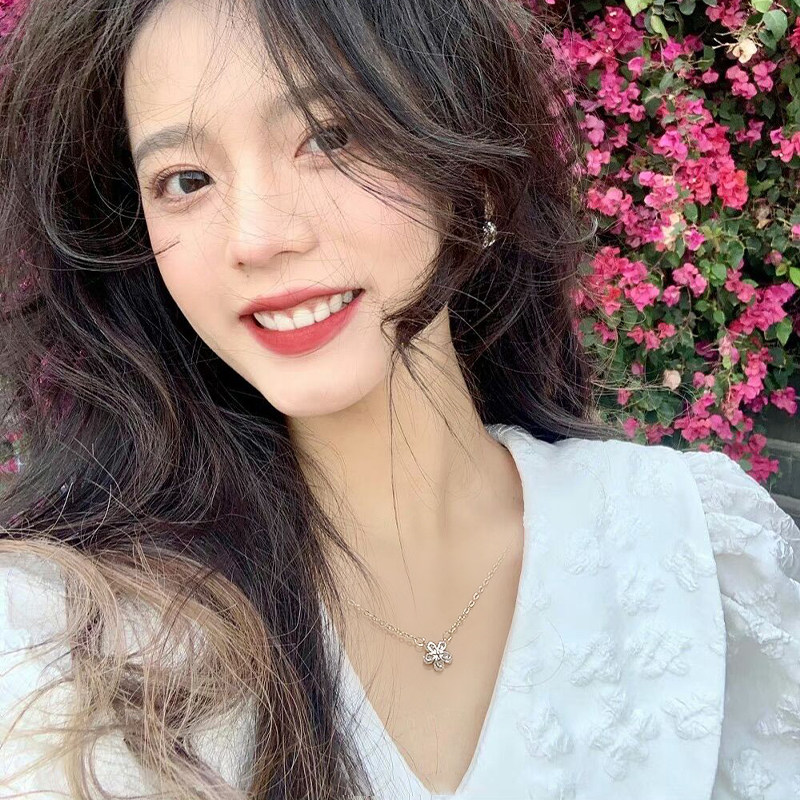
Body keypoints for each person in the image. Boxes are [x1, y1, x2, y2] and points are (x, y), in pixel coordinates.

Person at [1, 0, 798, 797]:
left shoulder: (699, 549)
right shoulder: (63, 633)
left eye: (330, 137)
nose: (256, 238)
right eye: (186, 180)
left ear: (470, 167)